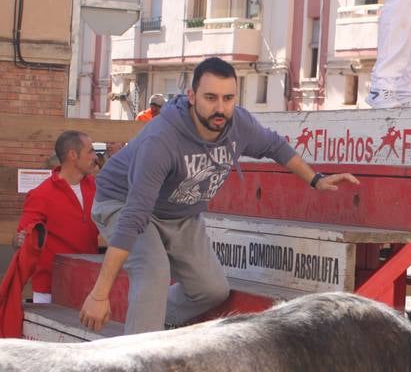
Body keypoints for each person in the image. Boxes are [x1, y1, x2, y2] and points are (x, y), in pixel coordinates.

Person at [80, 57, 359, 334]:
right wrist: (99, 295)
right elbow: (134, 217)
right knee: (153, 270)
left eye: (228, 98)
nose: (220, 108)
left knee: (210, 290)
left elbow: (275, 146)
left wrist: (316, 179)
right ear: (192, 96)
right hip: (123, 202)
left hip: (179, 213)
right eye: (210, 97)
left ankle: (153, 319)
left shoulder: (239, 125)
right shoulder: (162, 140)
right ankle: (139, 361)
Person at [13, 130, 102, 305]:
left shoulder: (97, 188)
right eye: (90, 151)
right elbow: (20, 240)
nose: (95, 157)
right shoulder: (41, 195)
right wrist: (20, 240)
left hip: (88, 285)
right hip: (50, 290)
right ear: (73, 155)